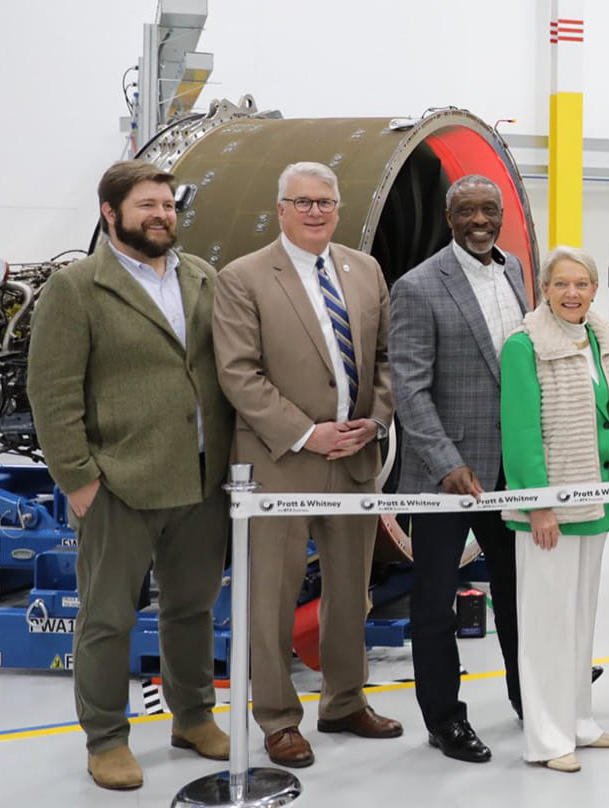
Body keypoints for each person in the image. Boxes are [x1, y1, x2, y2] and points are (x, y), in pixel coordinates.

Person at [26, 161, 235, 791]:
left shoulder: (202, 277)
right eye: (147, 205)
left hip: (201, 478)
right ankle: (107, 738)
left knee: (193, 609)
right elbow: (52, 392)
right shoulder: (77, 288)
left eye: (168, 205)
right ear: (109, 213)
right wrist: (79, 478)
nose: (161, 215)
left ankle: (193, 717)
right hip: (118, 481)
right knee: (108, 616)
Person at [213, 161, 402, 769]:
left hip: (355, 458)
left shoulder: (365, 269)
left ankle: (344, 701)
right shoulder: (243, 277)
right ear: (281, 208)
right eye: (303, 202)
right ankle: (276, 718)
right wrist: (306, 433)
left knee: (352, 593)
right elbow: (239, 373)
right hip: (279, 462)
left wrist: (373, 423)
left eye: (326, 202)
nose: (316, 211)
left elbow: (386, 360)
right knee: (271, 595)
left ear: (338, 208)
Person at [389, 175, 529, 763]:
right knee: (434, 602)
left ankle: (532, 696)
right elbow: (410, 389)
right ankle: (444, 717)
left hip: (512, 471)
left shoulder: (516, 271)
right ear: (450, 219)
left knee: (521, 592)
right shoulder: (418, 287)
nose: (479, 220)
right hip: (446, 474)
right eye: (467, 210)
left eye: (489, 210)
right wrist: (448, 462)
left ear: (501, 216)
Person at [500, 247, 609, 772]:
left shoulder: (605, 342)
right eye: (562, 284)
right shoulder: (524, 346)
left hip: (599, 500)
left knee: (580, 619)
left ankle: (579, 719)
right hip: (551, 510)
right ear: (545, 288)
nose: (573, 293)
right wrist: (539, 505)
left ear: (594, 289)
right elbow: (520, 434)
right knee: (545, 625)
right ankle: (547, 737)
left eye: (582, 284)